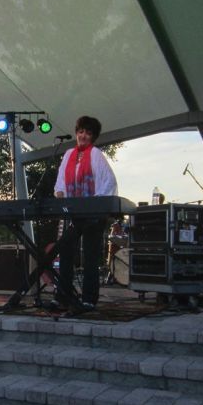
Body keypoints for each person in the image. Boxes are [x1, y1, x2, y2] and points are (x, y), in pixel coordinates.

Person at [53, 116, 117, 310]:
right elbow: (60, 181)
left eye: (88, 133)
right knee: (65, 252)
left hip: (92, 214)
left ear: (93, 137)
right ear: (76, 133)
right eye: (81, 132)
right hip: (73, 213)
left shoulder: (96, 154)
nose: (83, 136)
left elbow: (110, 181)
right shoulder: (68, 154)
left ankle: (89, 299)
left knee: (90, 256)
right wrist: (60, 192)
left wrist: (94, 202)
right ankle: (63, 296)